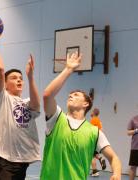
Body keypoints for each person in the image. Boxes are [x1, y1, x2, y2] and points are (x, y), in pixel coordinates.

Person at [40, 52, 121, 180]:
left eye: (76, 95)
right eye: (70, 95)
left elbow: (113, 157)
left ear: (86, 103)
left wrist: (116, 173)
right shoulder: (56, 119)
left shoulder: (94, 132)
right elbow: (47, 95)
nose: (71, 96)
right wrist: (68, 69)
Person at [0, 39, 40, 180]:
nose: (19, 80)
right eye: (14, 78)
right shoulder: (2, 99)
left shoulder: (26, 103)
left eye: (21, 78)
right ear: (5, 85)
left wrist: (30, 77)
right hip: (4, 160)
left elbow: (36, 104)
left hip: (22, 161)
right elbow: (0, 70)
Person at [90, 108, 107, 177]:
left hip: (94, 139)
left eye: (91, 111)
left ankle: (95, 172)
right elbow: (101, 129)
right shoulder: (98, 120)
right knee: (94, 154)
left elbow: (91, 130)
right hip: (97, 139)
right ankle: (100, 158)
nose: (90, 112)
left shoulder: (93, 120)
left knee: (91, 156)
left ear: (93, 113)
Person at [127, 116, 138, 180]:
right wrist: (136, 130)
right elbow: (128, 133)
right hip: (135, 147)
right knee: (133, 167)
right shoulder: (133, 119)